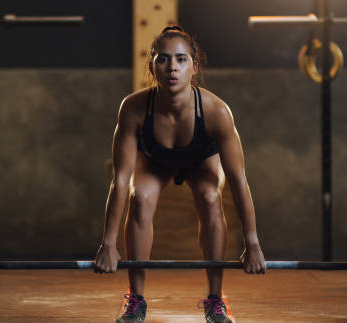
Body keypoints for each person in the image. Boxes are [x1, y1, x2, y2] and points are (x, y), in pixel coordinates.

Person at [93, 25, 266, 323]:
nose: (172, 67)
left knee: (211, 198)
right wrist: (108, 244)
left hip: (201, 161)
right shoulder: (133, 108)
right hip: (155, 161)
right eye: (163, 59)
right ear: (152, 66)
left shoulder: (216, 112)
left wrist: (252, 243)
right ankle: (136, 298)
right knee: (140, 196)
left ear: (194, 67)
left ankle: (215, 300)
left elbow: (238, 182)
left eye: (181, 59)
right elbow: (120, 179)